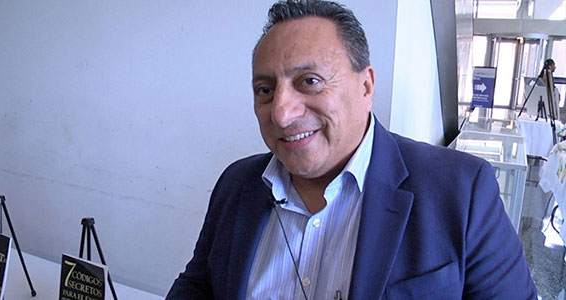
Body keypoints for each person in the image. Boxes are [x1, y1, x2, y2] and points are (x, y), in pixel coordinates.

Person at [167, 0, 537, 299]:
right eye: (265, 89)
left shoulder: (461, 191)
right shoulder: (237, 184)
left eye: (309, 81)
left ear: (365, 87)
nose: (281, 112)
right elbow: (198, 288)